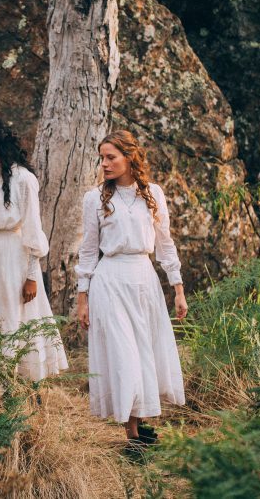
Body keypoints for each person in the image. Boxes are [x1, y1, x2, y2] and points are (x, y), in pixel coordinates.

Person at [75, 130, 187, 450]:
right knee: (124, 355)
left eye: (111, 157)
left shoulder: (152, 193)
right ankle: (134, 437)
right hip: (110, 281)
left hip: (144, 278)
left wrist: (177, 289)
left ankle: (139, 424)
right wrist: (83, 297)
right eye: (102, 158)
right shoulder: (94, 198)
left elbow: (165, 245)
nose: (105, 164)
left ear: (130, 157)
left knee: (143, 353)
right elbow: (88, 251)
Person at [0, 118, 68, 381]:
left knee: (15, 313)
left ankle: (20, 376)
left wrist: (33, 276)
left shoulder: (25, 179)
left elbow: (33, 229)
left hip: (14, 254)